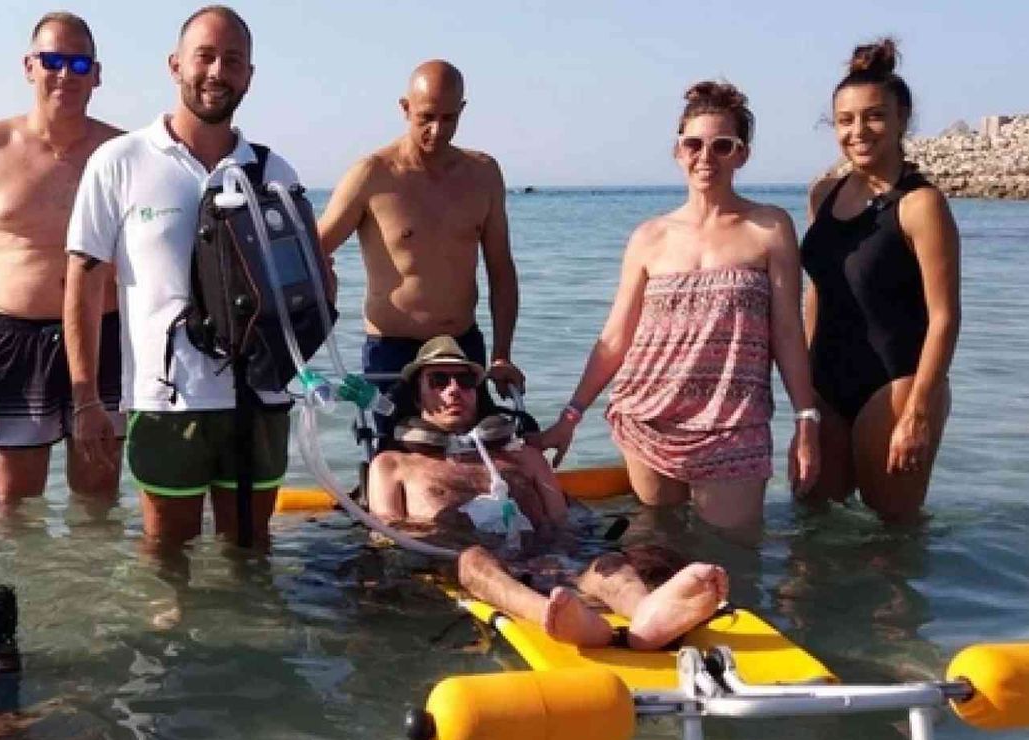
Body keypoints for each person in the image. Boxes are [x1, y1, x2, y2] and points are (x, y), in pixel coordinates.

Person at [63, 6, 301, 547]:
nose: (218, 71)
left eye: (233, 60)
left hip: (259, 399)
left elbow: (307, 287)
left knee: (251, 554)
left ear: (250, 76)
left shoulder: (273, 171)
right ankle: (167, 638)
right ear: (175, 65)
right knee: (164, 560)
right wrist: (86, 400)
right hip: (165, 400)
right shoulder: (120, 161)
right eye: (205, 56)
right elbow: (82, 282)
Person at [536, 81, 820, 535]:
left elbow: (787, 332)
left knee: (736, 558)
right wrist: (570, 417)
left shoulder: (769, 228)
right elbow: (615, 338)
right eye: (694, 144)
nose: (706, 157)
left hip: (734, 426)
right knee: (656, 548)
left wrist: (807, 420)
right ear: (677, 151)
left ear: (742, 155)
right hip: (648, 418)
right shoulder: (649, 237)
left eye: (722, 146)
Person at [368, 337, 728, 649]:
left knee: (610, 565)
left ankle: (648, 616)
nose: (453, 390)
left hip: (548, 554)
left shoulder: (523, 455)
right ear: (418, 394)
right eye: (439, 380)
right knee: (474, 560)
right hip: (471, 564)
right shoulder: (394, 465)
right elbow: (388, 536)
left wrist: (564, 556)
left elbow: (560, 518)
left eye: (464, 381)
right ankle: (555, 617)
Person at [0, 12, 123, 505]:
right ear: (29, 66)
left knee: (98, 501)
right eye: (53, 60)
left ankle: (94, 586)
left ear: (96, 74)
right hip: (15, 341)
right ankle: (19, 587)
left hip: (105, 336)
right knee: (13, 507)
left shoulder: (120, 152)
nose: (66, 74)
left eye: (79, 63)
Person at [799, 39, 960, 523]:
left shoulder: (920, 205)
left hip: (894, 389)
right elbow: (818, 292)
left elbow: (945, 316)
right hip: (826, 386)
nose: (858, 131)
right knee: (813, 529)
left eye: (874, 116)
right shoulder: (823, 194)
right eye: (845, 120)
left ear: (901, 119)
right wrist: (804, 394)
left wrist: (919, 411)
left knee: (892, 544)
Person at [317, 60, 525, 410]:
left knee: (471, 457)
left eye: (449, 118)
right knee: (388, 457)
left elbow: (501, 269)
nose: (437, 130)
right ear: (405, 108)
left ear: (462, 110)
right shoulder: (372, 175)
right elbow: (311, 252)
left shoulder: (483, 174)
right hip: (391, 352)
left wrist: (502, 354)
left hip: (460, 348)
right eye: (426, 117)